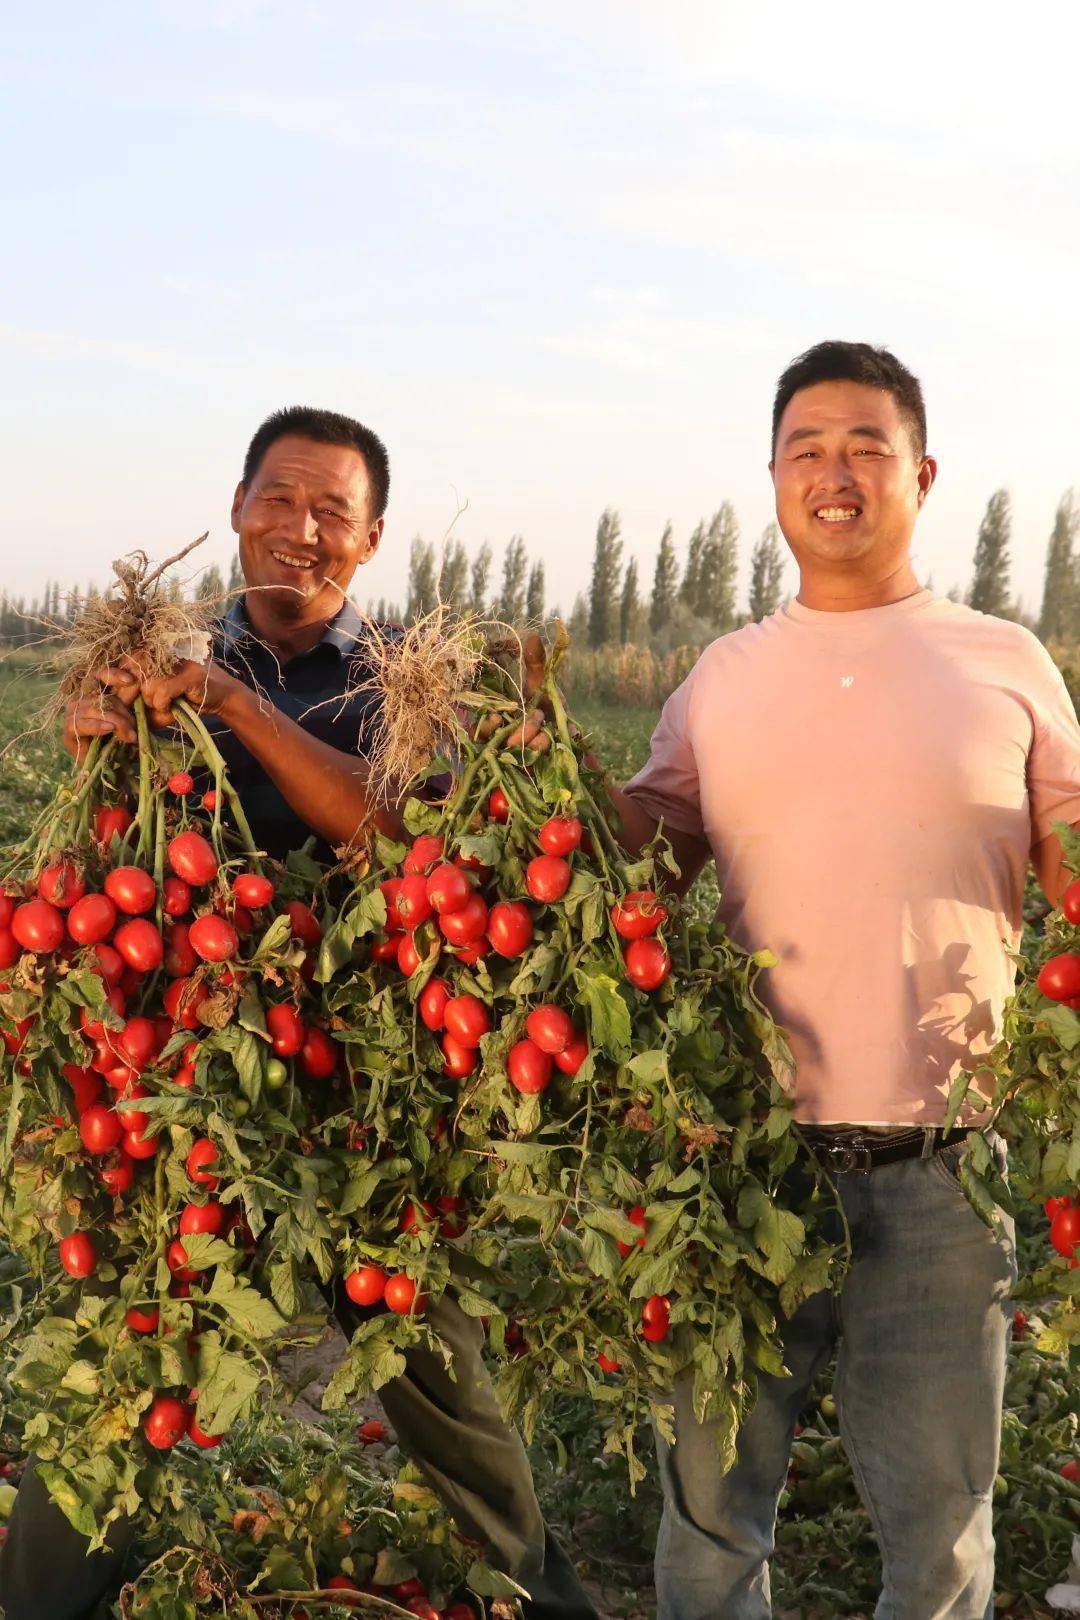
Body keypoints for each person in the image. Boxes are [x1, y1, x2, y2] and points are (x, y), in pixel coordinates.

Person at [0, 406, 596, 1620]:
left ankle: (550, 1602)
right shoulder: (158, 663)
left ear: (372, 540)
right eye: (280, 498)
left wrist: (230, 705)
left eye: (334, 511)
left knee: (433, 1366)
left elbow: (396, 838)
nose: (302, 529)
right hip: (191, 1074)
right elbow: (126, 872)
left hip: (370, 1084)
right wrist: (100, 751)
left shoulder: (408, 685)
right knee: (137, 1339)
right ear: (235, 507)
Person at [600, 341, 1080, 1620]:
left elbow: (1074, 852)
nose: (837, 471)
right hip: (741, 1161)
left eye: (867, 446)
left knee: (940, 1540)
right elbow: (635, 848)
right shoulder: (722, 679)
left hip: (942, 1165)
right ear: (772, 479)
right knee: (710, 1534)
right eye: (808, 448)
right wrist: (517, 761)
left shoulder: (1007, 661)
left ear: (921, 475)